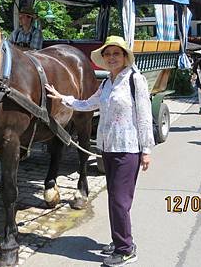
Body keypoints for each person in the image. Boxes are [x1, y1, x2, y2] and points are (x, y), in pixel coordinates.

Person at [45, 35, 153, 267]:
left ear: (125, 57)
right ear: (103, 59)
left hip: (128, 149)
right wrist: (62, 98)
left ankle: (126, 249)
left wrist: (146, 149)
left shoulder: (136, 80)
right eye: (108, 54)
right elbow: (87, 104)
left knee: (120, 201)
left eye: (116, 53)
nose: (112, 58)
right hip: (108, 148)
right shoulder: (107, 83)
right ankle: (119, 241)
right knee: (114, 198)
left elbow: (145, 117)